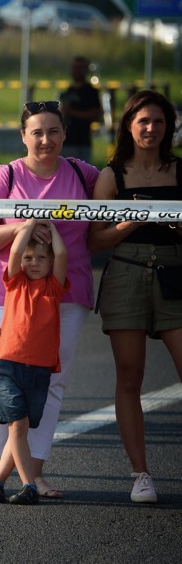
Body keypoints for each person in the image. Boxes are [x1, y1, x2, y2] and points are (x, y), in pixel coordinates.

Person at [0, 99, 99, 499]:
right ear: (23, 136)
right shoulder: (5, 175)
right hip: (6, 292)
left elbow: (114, 193)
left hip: (66, 292)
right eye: (36, 132)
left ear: (65, 135)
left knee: (51, 381)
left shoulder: (82, 173)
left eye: (53, 131)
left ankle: (32, 474)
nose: (45, 139)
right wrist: (24, 225)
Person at [87, 89, 182, 505]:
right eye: (143, 121)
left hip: (175, 271)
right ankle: (140, 473)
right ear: (128, 124)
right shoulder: (112, 176)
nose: (151, 129)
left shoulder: (179, 170)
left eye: (158, 122)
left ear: (169, 127)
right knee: (129, 376)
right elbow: (94, 240)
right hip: (125, 271)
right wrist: (127, 224)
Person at [0, 219, 68, 506]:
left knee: (19, 429)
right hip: (9, 365)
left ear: (50, 262)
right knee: (17, 426)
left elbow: (64, 255)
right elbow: (16, 253)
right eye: (29, 258)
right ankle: (29, 484)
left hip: (40, 371)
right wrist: (29, 225)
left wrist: (53, 229)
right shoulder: (15, 282)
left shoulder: (54, 288)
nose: (33, 263)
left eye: (41, 258)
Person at [58, 56, 101, 163]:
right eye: (74, 67)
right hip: (66, 141)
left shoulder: (91, 91)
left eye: (79, 68)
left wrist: (71, 112)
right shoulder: (69, 90)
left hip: (82, 142)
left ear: (86, 70)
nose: (76, 71)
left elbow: (96, 115)